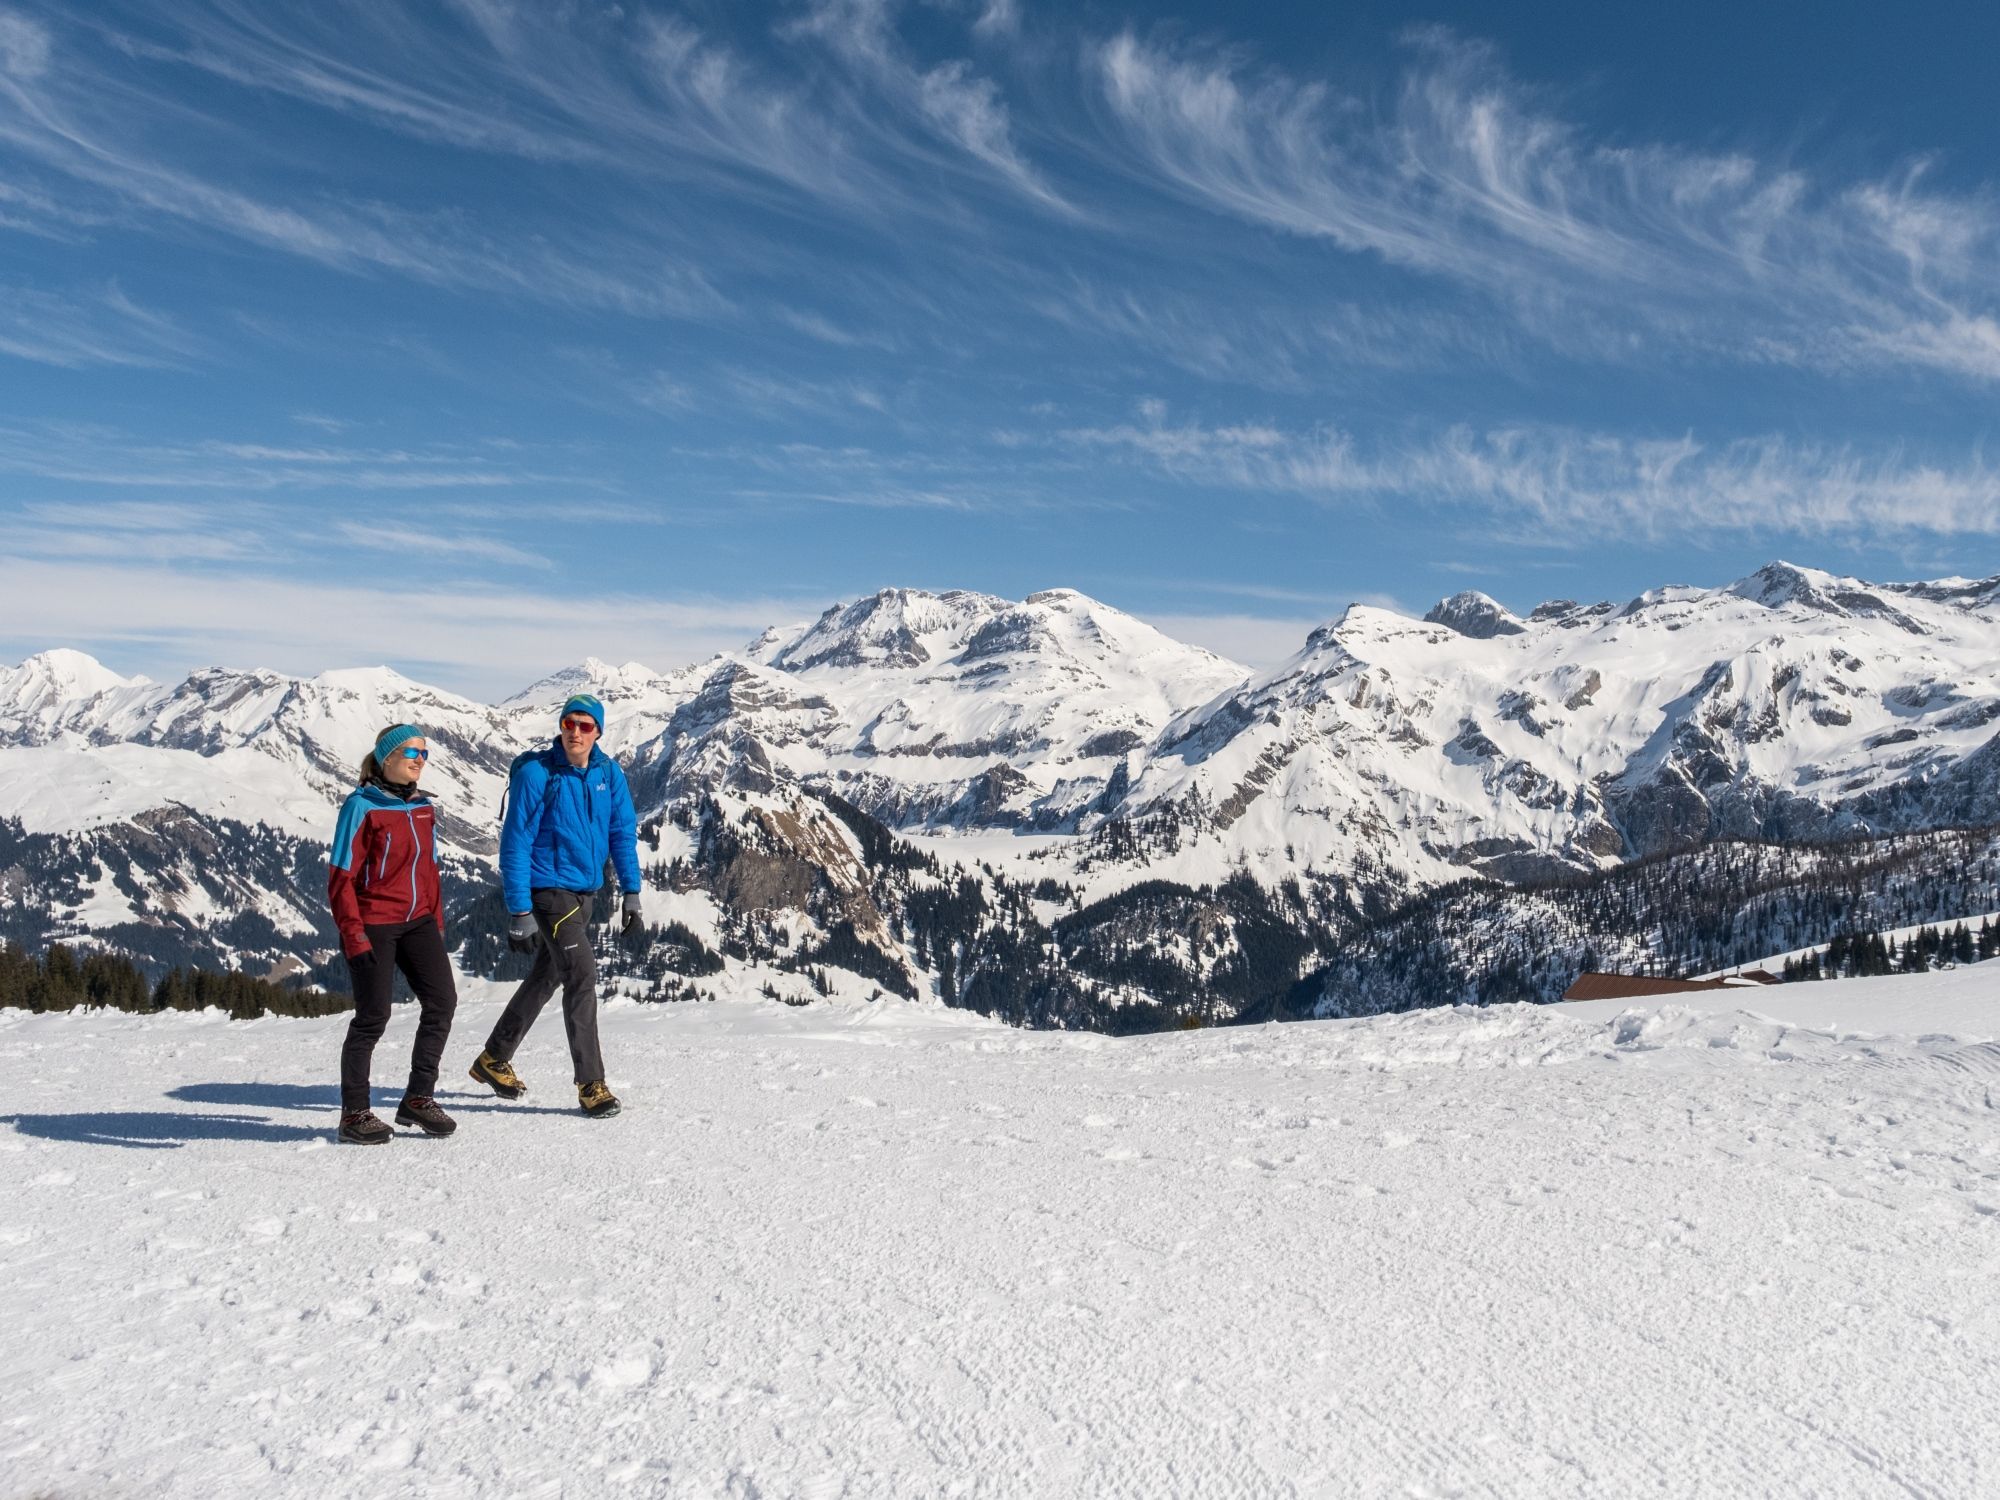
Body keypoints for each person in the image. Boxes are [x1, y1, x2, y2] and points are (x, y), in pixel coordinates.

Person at [469, 693, 642, 1117]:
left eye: (585, 725)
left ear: (598, 731)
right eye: (569, 724)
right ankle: (591, 1084)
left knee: (546, 976)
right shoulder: (537, 774)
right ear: (560, 726)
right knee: (581, 975)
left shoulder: (608, 773)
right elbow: (515, 842)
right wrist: (519, 909)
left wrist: (631, 892)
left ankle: (494, 1057)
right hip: (548, 892)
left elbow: (621, 833)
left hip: (585, 893)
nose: (575, 732)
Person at [327, 723, 459, 1145]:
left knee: (442, 1002)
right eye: (411, 753)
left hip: (419, 922)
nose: (420, 761)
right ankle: (354, 1114)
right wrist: (354, 934)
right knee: (373, 1017)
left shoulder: (423, 807)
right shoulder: (361, 807)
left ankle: (419, 1098)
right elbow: (341, 877)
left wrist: (435, 922)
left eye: (424, 754)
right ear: (387, 758)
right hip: (375, 924)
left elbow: (430, 869)